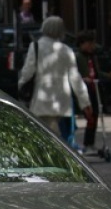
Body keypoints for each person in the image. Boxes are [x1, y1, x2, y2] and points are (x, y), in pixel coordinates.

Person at [18, 15, 91, 149]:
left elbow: (28, 71)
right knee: (57, 134)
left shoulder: (35, 47)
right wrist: (85, 102)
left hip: (42, 98)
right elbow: (75, 78)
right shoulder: (66, 50)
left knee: (45, 135)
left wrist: (21, 85)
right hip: (62, 100)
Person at [76, 29, 111, 152]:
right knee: (90, 116)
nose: (92, 46)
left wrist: (109, 75)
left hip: (94, 89)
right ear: (82, 44)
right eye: (90, 43)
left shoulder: (92, 57)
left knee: (95, 115)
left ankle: (90, 142)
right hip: (84, 90)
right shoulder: (77, 57)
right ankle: (87, 143)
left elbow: (97, 72)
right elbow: (73, 74)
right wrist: (83, 79)